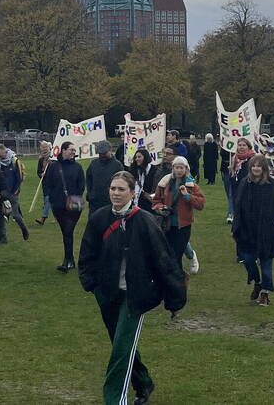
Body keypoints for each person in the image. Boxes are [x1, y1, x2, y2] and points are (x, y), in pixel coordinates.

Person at [78, 171, 187, 405]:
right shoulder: (99, 218)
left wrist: (174, 296)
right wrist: (91, 283)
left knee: (121, 349)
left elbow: (164, 260)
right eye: (113, 189)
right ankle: (144, 381)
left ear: (132, 192)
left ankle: (115, 400)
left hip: (135, 295)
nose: (115, 193)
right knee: (121, 345)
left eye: (121, 189)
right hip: (107, 293)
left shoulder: (145, 221)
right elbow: (88, 253)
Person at [231, 154, 274, 306]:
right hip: (247, 231)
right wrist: (236, 227)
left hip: (267, 232)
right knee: (247, 260)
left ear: (264, 168)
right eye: (253, 166)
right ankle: (257, 281)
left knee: (266, 264)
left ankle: (265, 293)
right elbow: (238, 206)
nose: (256, 168)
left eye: (259, 166)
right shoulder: (245, 183)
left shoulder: (273, 185)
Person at [152, 156, 205, 273]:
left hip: (183, 225)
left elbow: (200, 204)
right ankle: (176, 278)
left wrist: (187, 196)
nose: (179, 170)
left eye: (182, 168)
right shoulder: (164, 183)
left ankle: (177, 279)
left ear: (186, 169)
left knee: (177, 254)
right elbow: (156, 201)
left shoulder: (191, 185)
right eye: (177, 167)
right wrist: (161, 208)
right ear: (173, 168)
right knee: (169, 254)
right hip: (167, 224)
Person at [43, 141, 86, 272]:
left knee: (68, 231)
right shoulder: (54, 166)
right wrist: (51, 197)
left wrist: (75, 197)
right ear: (63, 150)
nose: (73, 152)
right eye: (71, 150)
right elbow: (47, 183)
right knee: (66, 232)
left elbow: (81, 184)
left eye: (74, 150)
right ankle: (70, 260)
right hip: (58, 205)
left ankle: (67, 260)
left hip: (73, 206)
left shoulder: (77, 167)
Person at [0, 143, 30, 240]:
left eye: (0, 154)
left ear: (4, 151)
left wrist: (15, 191)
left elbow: (19, 177)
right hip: (1, 192)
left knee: (16, 215)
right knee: (1, 215)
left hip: (12, 192)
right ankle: (2, 237)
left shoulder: (15, 161)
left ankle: (24, 229)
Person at [86, 140, 122, 213]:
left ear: (110, 150)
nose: (102, 155)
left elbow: (121, 182)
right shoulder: (93, 163)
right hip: (94, 203)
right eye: (100, 153)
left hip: (110, 202)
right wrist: (90, 194)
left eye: (104, 153)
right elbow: (88, 179)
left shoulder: (117, 165)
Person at [226, 138, 256, 225]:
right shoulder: (235, 158)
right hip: (237, 188)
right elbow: (233, 175)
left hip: (249, 189)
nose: (241, 147)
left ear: (248, 147)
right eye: (239, 145)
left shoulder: (252, 158)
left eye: (244, 145)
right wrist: (231, 172)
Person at [34, 140, 53, 225]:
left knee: (48, 200)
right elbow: (38, 171)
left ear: (49, 148)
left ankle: (43, 218)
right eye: (43, 147)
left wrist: (51, 163)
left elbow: (58, 169)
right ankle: (58, 217)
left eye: (46, 147)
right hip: (45, 183)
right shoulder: (41, 159)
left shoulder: (53, 158)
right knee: (48, 200)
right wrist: (41, 174)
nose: (44, 149)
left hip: (54, 183)